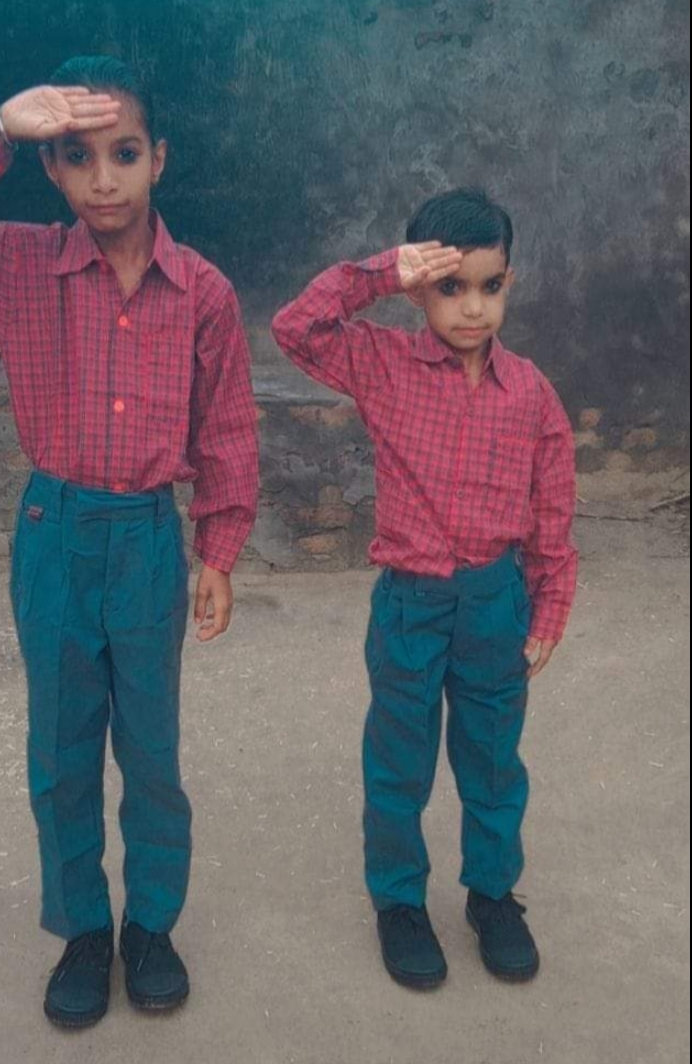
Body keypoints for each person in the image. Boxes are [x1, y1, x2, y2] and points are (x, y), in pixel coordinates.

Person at [0, 55, 259, 1026]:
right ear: (51, 169)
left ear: (158, 159)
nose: (103, 179)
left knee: (150, 749)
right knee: (61, 751)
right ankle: (85, 930)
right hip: (53, 533)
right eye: (77, 156)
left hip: (146, 539)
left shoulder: (203, 291)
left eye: (124, 153)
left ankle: (151, 927)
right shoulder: (16, 266)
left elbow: (226, 427)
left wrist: (219, 549)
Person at [272, 188, 577, 989]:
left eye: (490, 285)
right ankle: (400, 903)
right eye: (450, 286)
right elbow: (294, 328)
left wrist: (549, 602)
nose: (472, 307)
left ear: (509, 282)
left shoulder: (532, 394)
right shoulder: (381, 364)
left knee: (493, 760)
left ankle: (492, 896)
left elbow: (552, 510)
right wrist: (380, 272)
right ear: (418, 289)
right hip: (411, 603)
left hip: (494, 602)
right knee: (399, 763)